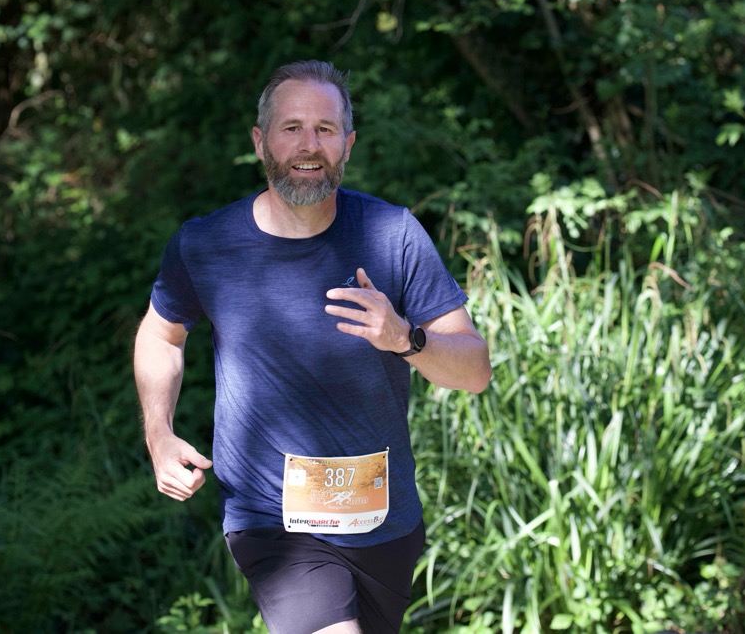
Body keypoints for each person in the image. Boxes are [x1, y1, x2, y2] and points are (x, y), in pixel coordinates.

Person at [134, 60, 491, 634]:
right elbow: (160, 333)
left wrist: (404, 338)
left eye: (325, 129)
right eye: (292, 127)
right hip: (272, 520)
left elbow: (474, 371)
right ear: (260, 142)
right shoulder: (207, 244)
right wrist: (159, 433)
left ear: (348, 144)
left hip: (384, 521)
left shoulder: (393, 235)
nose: (309, 145)